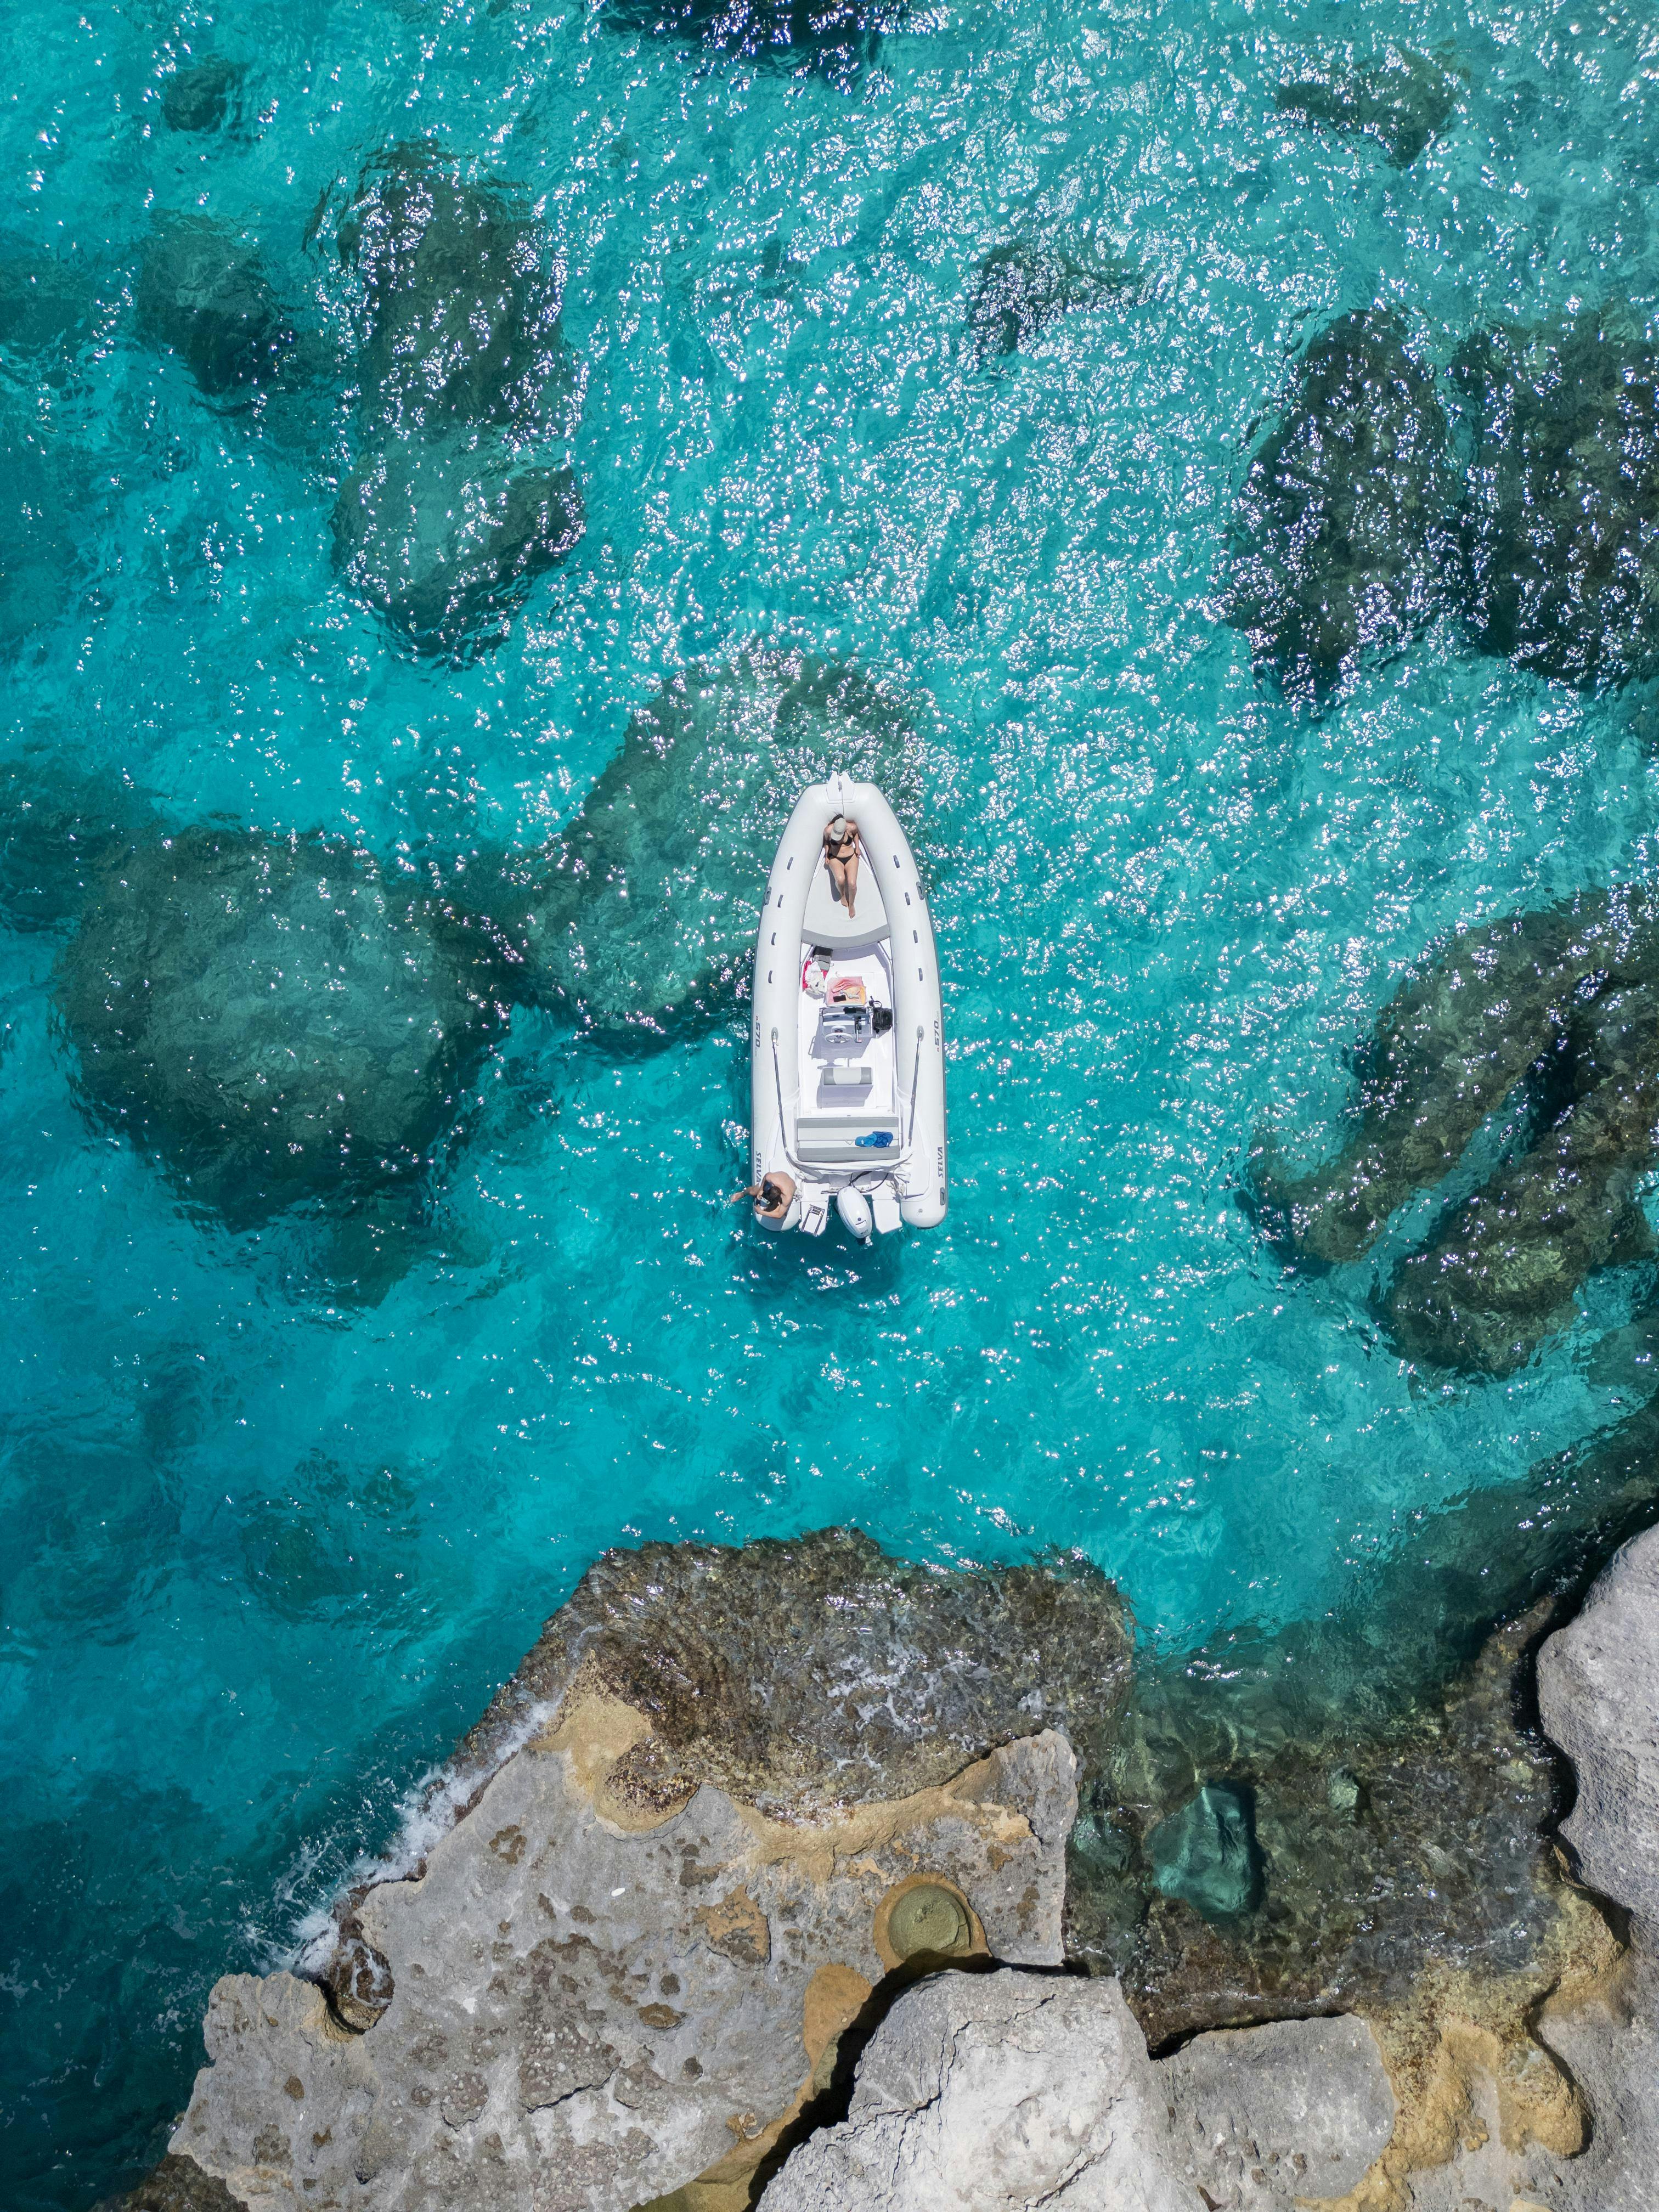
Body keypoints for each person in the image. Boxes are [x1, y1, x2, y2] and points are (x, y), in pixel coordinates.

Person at [823, 812, 861, 918]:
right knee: (840, 880)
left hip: (850, 857)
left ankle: (852, 904)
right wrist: (827, 855)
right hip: (835, 857)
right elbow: (827, 842)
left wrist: (857, 847)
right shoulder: (828, 831)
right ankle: (843, 895)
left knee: (852, 883)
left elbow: (855, 835)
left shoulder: (851, 828)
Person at [731, 1169, 796, 1223]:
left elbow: (779, 1215)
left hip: (789, 1187)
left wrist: (761, 1212)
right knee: (753, 1191)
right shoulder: (771, 1178)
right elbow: (766, 1177)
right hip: (780, 1178)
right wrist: (761, 1189)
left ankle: (778, 1206)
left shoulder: (787, 1197)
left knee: (778, 1210)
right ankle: (742, 1194)